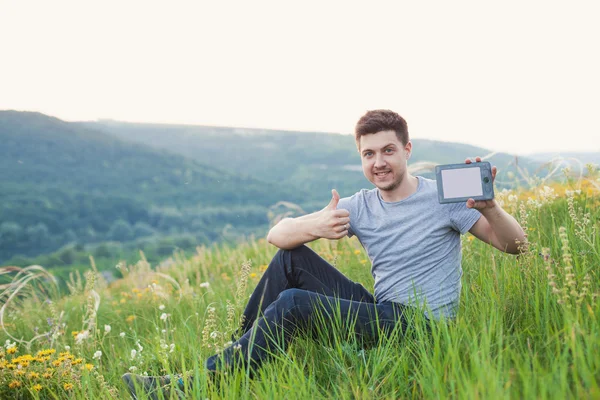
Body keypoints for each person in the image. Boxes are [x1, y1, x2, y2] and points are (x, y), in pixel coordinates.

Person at [123, 109, 527, 399]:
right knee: (290, 257)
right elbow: (276, 235)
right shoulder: (361, 204)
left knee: (295, 304)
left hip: (423, 328)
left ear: (407, 149)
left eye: (388, 151)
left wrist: (490, 207)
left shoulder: (443, 198)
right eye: (368, 154)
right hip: (381, 312)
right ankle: (231, 360)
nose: (379, 162)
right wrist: (315, 227)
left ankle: (199, 384)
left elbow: (517, 246)